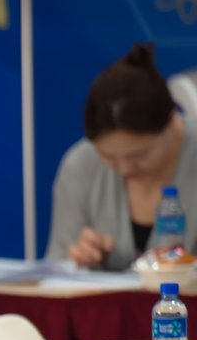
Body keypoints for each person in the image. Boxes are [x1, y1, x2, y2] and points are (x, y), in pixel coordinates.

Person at [46, 42, 197, 270]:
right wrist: (81, 259)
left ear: (170, 120)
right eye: (108, 157)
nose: (125, 169)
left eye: (138, 155)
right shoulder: (81, 164)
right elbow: (56, 267)